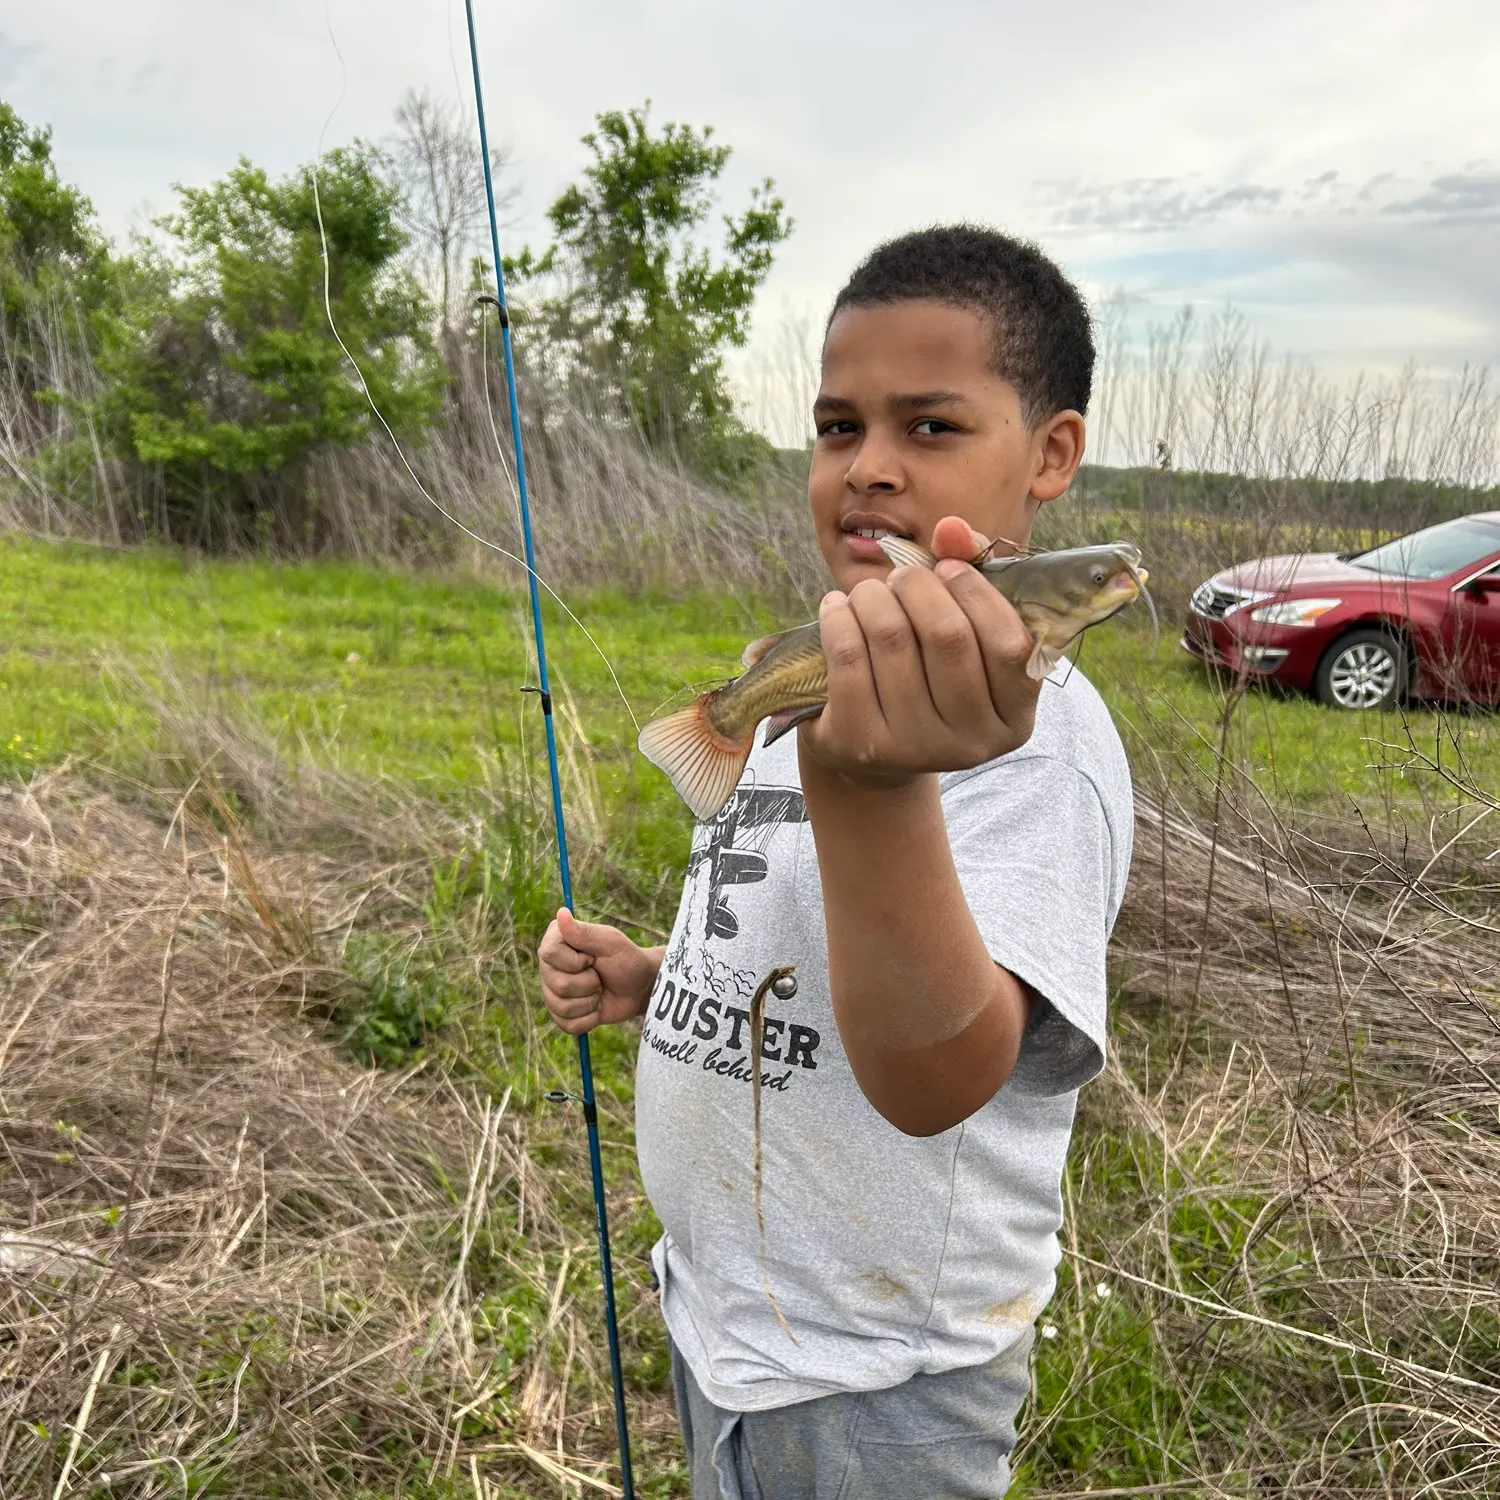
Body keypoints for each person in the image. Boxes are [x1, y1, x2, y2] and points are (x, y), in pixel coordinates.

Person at [538, 224, 1133, 1499]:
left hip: (882, 1382)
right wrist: (655, 976)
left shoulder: (1042, 744)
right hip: (724, 1327)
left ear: (1051, 456)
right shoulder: (818, 683)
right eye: (835, 427)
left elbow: (939, 1075)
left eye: (928, 428)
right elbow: (787, 919)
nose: (867, 468)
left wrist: (875, 783)